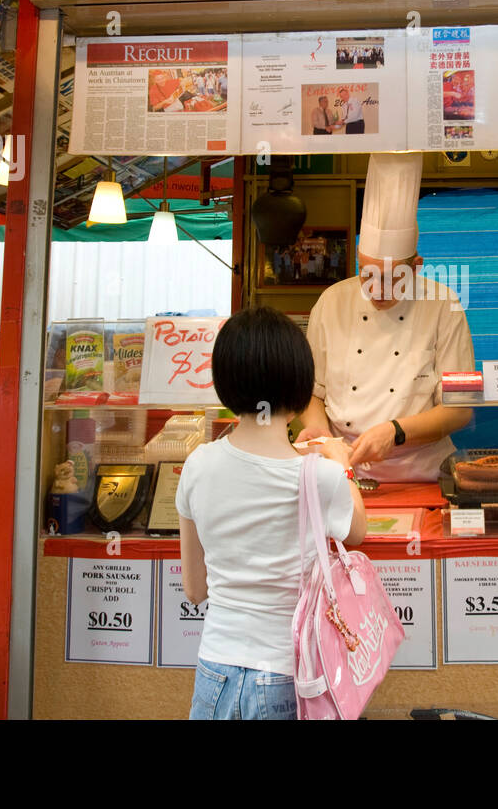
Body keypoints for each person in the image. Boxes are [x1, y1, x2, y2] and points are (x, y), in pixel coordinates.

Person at [176, 307, 367, 720]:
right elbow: (357, 531)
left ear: (225, 385)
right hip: (289, 676)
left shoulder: (198, 465)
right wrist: (343, 463)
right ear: (299, 393)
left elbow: (194, 589)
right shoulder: (321, 476)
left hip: (215, 672)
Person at [299, 153, 475, 481]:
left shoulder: (445, 305)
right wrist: (322, 437)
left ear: (416, 266)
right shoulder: (331, 303)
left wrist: (395, 431)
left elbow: (461, 408)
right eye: (366, 275)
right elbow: (311, 393)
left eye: (393, 279)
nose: (377, 290)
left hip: (422, 472)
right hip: (343, 470)